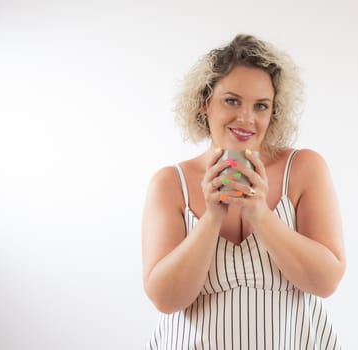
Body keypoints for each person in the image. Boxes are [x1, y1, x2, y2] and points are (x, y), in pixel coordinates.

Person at [142, 34, 346, 349]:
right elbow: (166, 299)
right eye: (232, 100)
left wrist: (260, 215)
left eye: (261, 106)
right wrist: (211, 218)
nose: (247, 118)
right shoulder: (170, 184)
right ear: (204, 103)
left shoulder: (304, 168)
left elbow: (326, 281)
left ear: (273, 112)